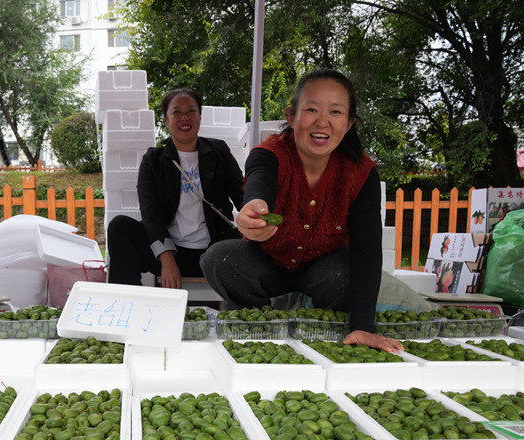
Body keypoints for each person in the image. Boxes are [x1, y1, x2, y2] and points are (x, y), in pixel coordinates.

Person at [200, 69, 402, 352]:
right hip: (268, 265)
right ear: (291, 116)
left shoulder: (361, 173)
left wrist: (363, 327)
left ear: (349, 122)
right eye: (311, 109)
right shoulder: (269, 154)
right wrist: (253, 208)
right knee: (219, 258)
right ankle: (258, 325)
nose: (322, 121)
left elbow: (367, 251)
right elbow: (259, 180)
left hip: (324, 273)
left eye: (335, 112)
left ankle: (329, 328)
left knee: (344, 271)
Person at [106, 87, 244, 288]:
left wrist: (257, 219)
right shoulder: (153, 160)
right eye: (176, 112)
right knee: (120, 227)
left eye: (191, 111)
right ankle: (128, 304)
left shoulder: (218, 151)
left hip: (215, 252)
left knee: (256, 236)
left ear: (199, 116)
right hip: (170, 254)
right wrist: (167, 258)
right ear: (166, 120)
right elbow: (150, 213)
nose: (184, 118)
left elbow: (241, 192)